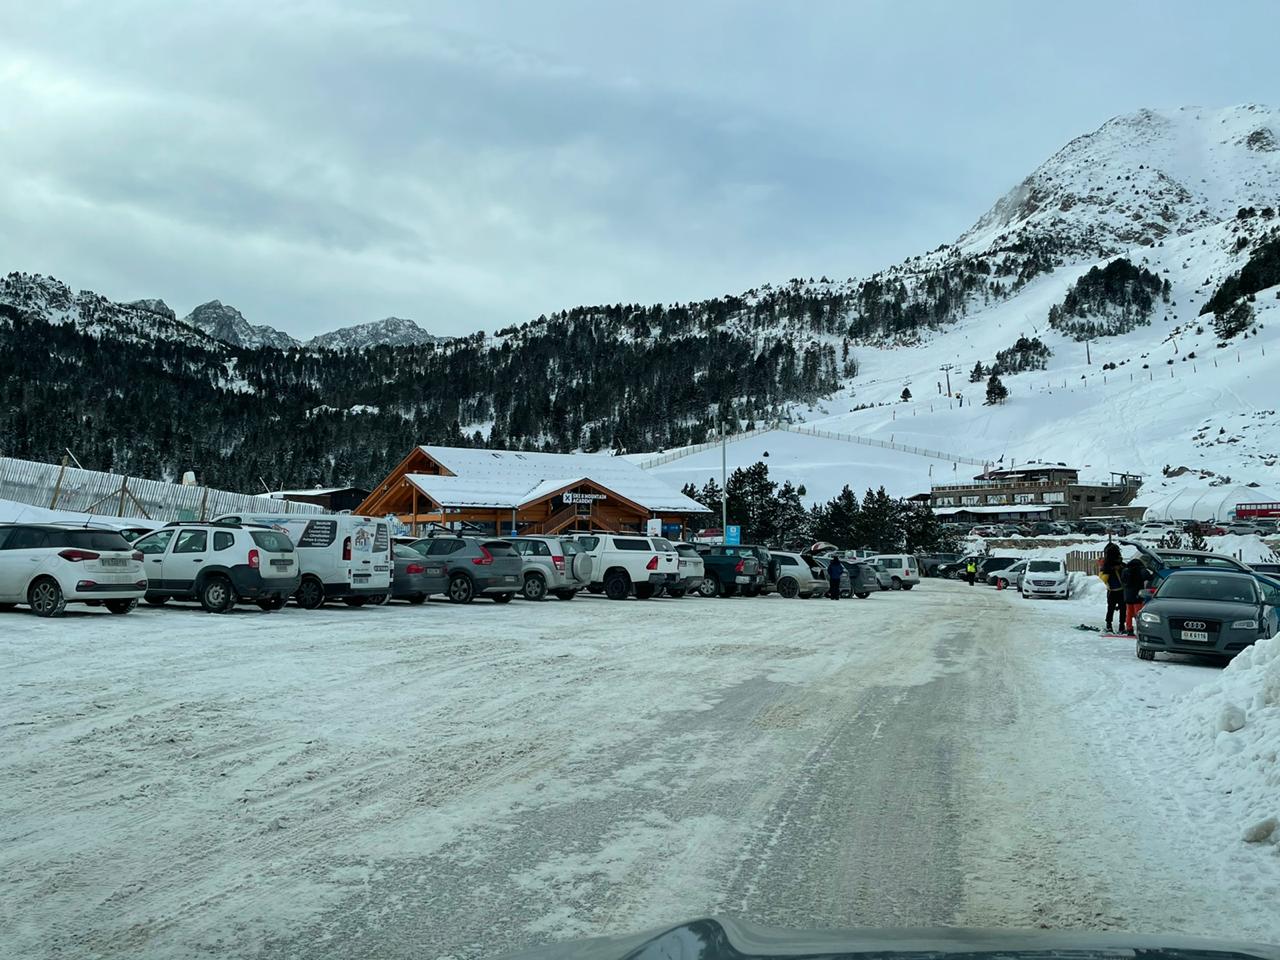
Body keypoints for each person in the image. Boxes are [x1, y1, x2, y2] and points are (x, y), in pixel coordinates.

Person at [1101, 542, 1126, 633]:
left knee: (1110, 608)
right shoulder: (1122, 565)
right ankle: (1122, 627)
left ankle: (1109, 625)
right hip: (1121, 590)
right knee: (1123, 609)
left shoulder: (1106, 566)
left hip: (1112, 590)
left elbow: (1103, 577)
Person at [1122, 556, 1150, 634]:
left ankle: (1129, 629)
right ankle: (1140, 629)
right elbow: (1148, 577)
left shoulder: (1125, 570)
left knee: (1129, 613)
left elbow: (1123, 580)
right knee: (1138, 613)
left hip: (1127, 595)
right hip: (1137, 594)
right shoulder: (1141, 570)